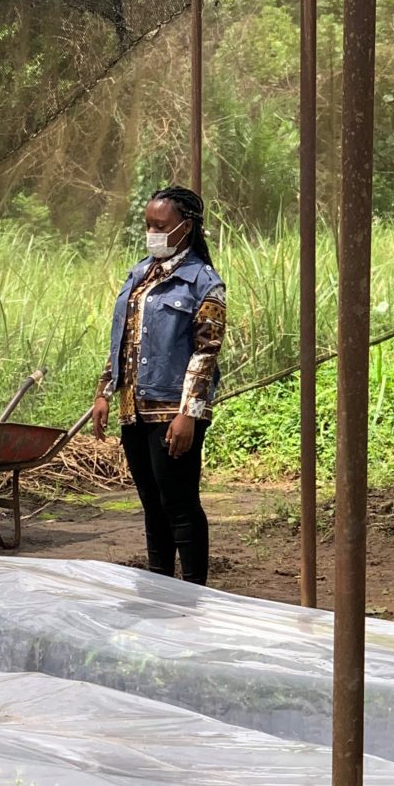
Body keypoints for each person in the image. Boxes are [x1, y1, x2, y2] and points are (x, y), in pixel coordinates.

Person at [92, 185, 226, 587]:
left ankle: (194, 589)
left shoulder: (203, 282)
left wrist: (189, 414)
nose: (153, 232)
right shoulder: (139, 274)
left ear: (186, 227)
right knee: (151, 503)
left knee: (179, 502)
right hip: (134, 407)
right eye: (149, 225)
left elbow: (206, 352)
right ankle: (159, 585)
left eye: (161, 225)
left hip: (173, 411)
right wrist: (104, 391)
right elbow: (122, 338)